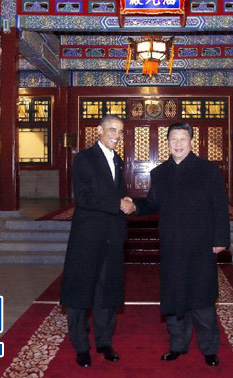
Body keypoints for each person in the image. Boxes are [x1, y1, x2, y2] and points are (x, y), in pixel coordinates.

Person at [131, 122, 230, 367]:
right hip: (172, 245)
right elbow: (152, 203)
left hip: (201, 244)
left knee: (202, 297)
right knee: (175, 296)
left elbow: (220, 207)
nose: (178, 143)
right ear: (167, 143)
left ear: (191, 142)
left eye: (182, 139)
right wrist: (133, 206)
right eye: (173, 139)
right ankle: (177, 345)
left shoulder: (208, 170)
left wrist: (220, 239)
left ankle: (209, 349)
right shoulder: (159, 173)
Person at [60, 115, 135, 368]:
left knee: (107, 292)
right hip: (87, 237)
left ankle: (104, 342)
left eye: (121, 131)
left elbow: (115, 193)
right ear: (99, 130)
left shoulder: (118, 160)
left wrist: (126, 202)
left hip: (112, 237)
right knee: (80, 293)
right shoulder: (84, 158)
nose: (117, 135)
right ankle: (81, 347)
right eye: (112, 129)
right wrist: (117, 203)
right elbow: (84, 197)